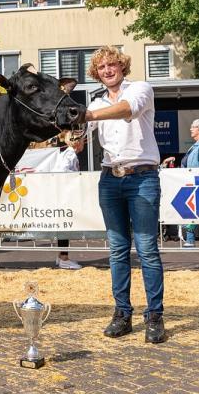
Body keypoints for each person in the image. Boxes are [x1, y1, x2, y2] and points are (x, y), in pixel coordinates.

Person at [85, 46, 167, 343]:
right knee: (117, 251)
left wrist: (86, 115)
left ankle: (155, 316)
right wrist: (73, 136)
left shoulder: (141, 88)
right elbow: (80, 137)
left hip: (142, 177)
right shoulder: (95, 101)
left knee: (147, 249)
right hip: (110, 179)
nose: (107, 70)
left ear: (122, 66)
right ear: (96, 73)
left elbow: (127, 110)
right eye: (102, 67)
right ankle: (122, 314)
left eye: (112, 64)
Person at [162, 118, 199, 248]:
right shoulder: (194, 146)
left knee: (189, 210)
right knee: (188, 210)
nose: (190, 129)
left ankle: (190, 239)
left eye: (193, 127)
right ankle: (189, 239)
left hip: (195, 182)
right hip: (190, 183)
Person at [52, 131, 85, 269]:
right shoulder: (70, 154)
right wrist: (75, 178)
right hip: (65, 195)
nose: (84, 143)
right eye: (83, 141)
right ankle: (64, 258)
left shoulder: (68, 153)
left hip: (64, 194)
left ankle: (61, 257)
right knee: (65, 225)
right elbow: (62, 171)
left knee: (64, 225)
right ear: (77, 142)